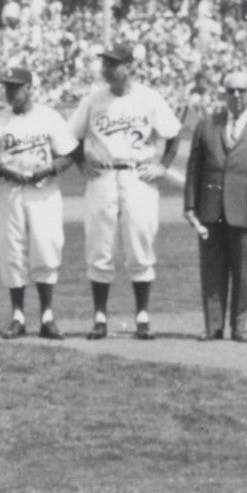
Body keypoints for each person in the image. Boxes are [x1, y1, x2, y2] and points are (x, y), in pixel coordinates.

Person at [68, 42, 182, 341]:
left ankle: (142, 315)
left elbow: (172, 133)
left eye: (113, 63)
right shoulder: (94, 99)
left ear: (128, 67)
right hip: (103, 176)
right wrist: (82, 164)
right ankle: (100, 316)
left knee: (140, 244)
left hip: (137, 175)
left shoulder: (148, 98)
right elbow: (72, 137)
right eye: (105, 64)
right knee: (99, 247)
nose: (106, 69)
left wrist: (163, 166)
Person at [0, 64, 77, 340]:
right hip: (9, 190)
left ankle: (47, 315)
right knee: (11, 251)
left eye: (15, 88)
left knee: (46, 247)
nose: (9, 93)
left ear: (29, 88)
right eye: (6, 88)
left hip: (43, 190)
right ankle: (18, 316)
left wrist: (47, 170)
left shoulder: (49, 117)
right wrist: (3, 170)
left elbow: (68, 153)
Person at [183, 70, 247, 342]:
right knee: (212, 269)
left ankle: (239, 326)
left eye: (242, 91)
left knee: (242, 272)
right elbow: (195, 167)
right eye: (231, 91)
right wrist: (190, 205)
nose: (237, 96)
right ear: (223, 94)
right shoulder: (207, 125)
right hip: (211, 209)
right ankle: (213, 325)